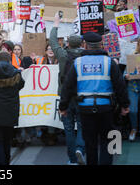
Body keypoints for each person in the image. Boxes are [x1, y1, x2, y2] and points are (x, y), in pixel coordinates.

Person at [59, 32, 130, 165]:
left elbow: (67, 86)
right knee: (106, 141)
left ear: (85, 45)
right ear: (101, 45)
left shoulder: (78, 63)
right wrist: (124, 105)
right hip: (106, 108)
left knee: (90, 143)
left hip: (85, 108)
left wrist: (63, 107)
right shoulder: (108, 62)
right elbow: (119, 85)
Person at [50, 12, 85, 165]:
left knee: (69, 128)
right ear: (82, 45)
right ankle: (80, 149)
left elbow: (52, 41)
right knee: (83, 126)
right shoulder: (86, 56)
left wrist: (56, 23)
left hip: (66, 97)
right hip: (83, 96)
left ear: (68, 44)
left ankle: (72, 160)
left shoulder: (63, 55)